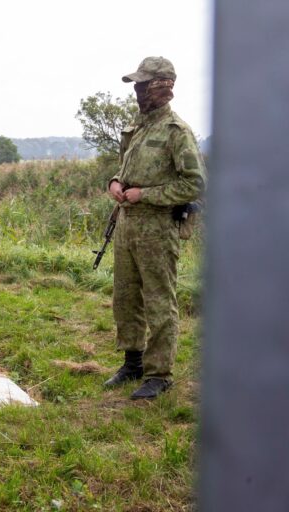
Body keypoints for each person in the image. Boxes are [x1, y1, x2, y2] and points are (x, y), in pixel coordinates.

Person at [103, 56, 207, 400]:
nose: (137, 90)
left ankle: (159, 373)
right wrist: (116, 181)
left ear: (161, 87)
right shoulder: (140, 127)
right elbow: (127, 168)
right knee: (126, 298)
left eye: (143, 84)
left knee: (160, 301)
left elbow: (195, 184)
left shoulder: (177, 132)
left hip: (158, 228)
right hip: (127, 226)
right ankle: (132, 362)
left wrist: (145, 194)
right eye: (137, 84)